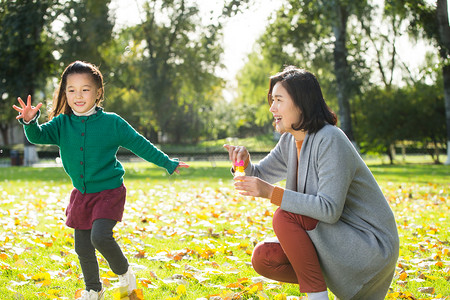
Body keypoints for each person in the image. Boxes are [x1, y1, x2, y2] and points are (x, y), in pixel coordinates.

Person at [13, 60, 189, 300]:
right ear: (65, 93)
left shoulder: (112, 123)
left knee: (99, 236)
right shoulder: (62, 123)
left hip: (109, 192)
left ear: (98, 92)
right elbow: (37, 136)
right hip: (82, 194)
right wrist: (30, 121)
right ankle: (93, 289)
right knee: (82, 247)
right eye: (71, 90)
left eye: (85, 89)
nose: (78, 95)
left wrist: (168, 163)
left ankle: (124, 272)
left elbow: (140, 144)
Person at [223, 66, 399, 300]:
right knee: (265, 257)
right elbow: (262, 175)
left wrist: (270, 193)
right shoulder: (290, 139)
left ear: (301, 103)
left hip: (369, 246)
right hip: (337, 241)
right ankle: (322, 288)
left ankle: (318, 297)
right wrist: (243, 165)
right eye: (271, 100)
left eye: (278, 100)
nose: (271, 108)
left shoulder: (330, 139)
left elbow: (329, 209)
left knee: (284, 216)